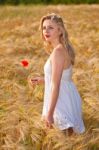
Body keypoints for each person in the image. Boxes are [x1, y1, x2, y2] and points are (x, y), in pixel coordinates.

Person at [31, 13, 85, 136]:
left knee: (64, 138)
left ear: (60, 31)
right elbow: (62, 78)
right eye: (44, 27)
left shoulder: (58, 52)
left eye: (50, 27)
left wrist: (50, 114)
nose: (46, 31)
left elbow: (56, 85)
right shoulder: (60, 49)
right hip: (66, 96)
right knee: (68, 138)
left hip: (61, 100)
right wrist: (44, 80)